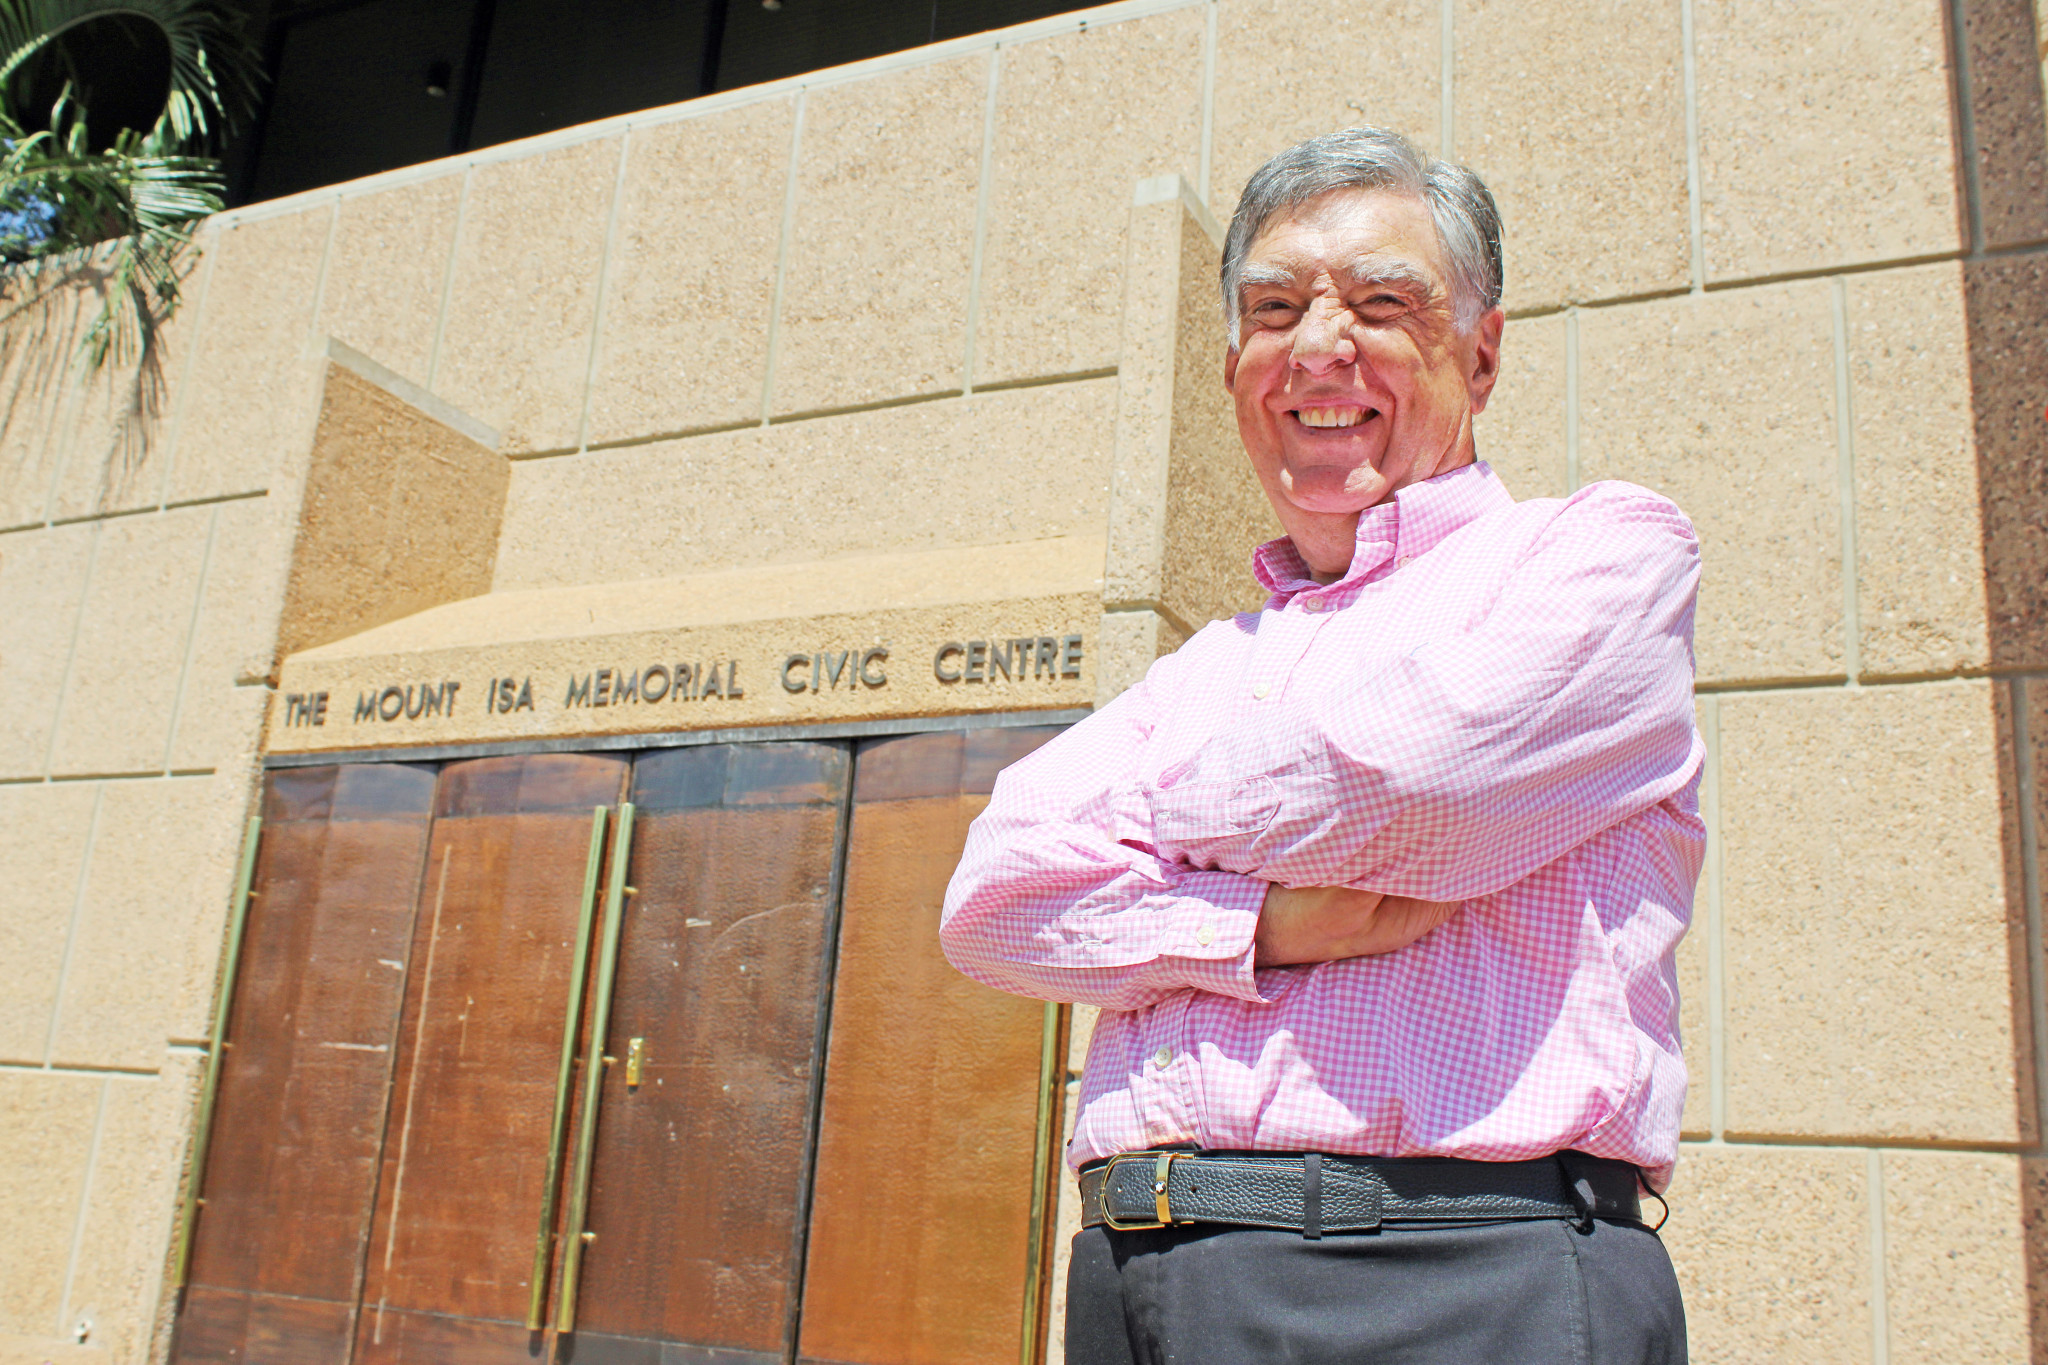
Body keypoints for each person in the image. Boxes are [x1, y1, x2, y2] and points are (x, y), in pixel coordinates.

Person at [940, 126, 1704, 1364]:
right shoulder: (1200, 666)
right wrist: (1249, 925)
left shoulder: (1597, 556)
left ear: (1481, 349)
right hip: (1135, 1278)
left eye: (1381, 302)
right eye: (1275, 307)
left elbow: (1414, 784)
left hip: (1449, 1275)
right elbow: (987, 904)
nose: (1316, 346)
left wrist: (1144, 821)